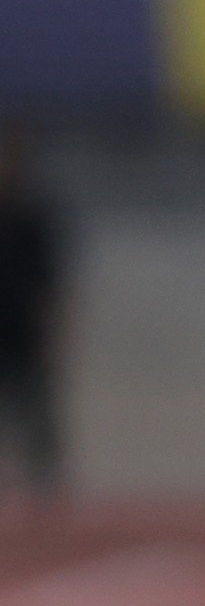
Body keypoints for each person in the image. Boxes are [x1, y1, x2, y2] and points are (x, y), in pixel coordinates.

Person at [0, 127, 66, 503]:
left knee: (37, 414)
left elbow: (50, 279)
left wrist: (56, 330)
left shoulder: (32, 217)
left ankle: (46, 488)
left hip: (24, 331)